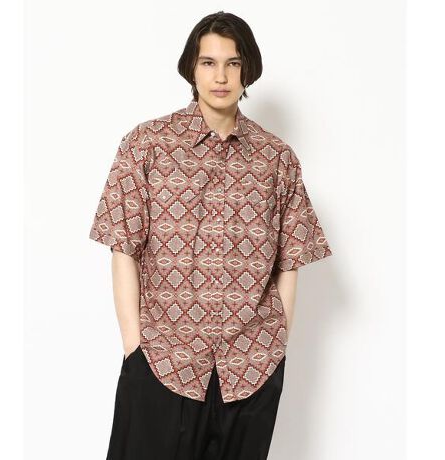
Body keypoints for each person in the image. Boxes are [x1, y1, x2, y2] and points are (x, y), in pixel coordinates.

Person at [89, 10, 333, 460]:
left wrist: (276, 342)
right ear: (191, 68)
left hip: (251, 366)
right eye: (208, 62)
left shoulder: (277, 159)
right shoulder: (146, 145)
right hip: (163, 359)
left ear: (247, 70)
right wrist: (133, 346)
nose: (221, 76)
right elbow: (122, 245)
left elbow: (291, 259)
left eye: (233, 63)